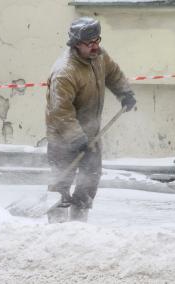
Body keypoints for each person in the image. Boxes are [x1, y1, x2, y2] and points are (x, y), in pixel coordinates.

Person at [46, 17, 136, 221]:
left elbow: (113, 74)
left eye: (97, 40)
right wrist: (76, 139)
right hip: (63, 137)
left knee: (90, 179)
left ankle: (80, 226)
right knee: (61, 181)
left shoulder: (99, 57)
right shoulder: (64, 72)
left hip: (91, 133)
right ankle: (55, 227)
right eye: (90, 43)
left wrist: (125, 93)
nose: (96, 46)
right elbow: (60, 112)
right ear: (76, 44)